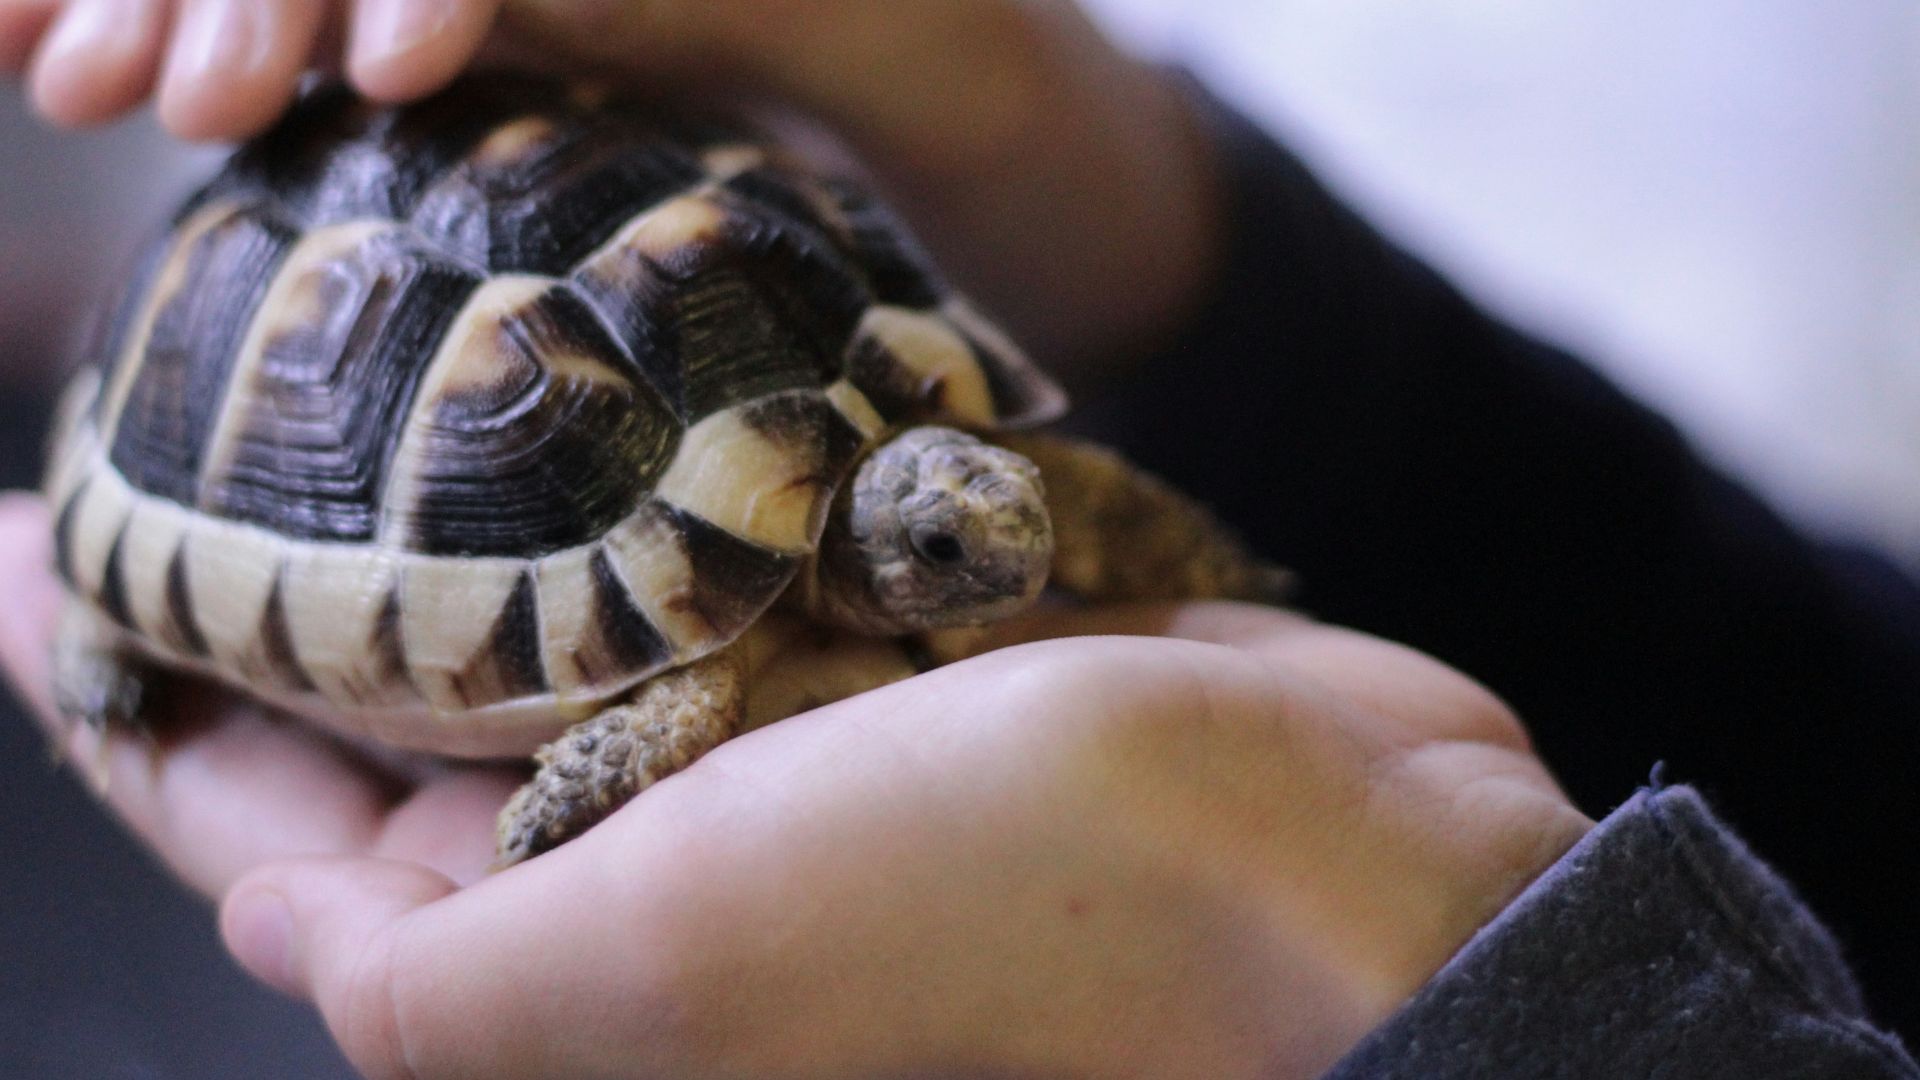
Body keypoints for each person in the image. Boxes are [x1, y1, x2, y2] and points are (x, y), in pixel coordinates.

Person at [2, 1, 1917, 1076]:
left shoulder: (961, 510)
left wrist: (1412, 974)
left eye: (977, 526)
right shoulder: (774, 596)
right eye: (945, 553)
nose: (995, 554)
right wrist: (1099, 172)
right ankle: (113, 579)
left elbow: (1057, 510)